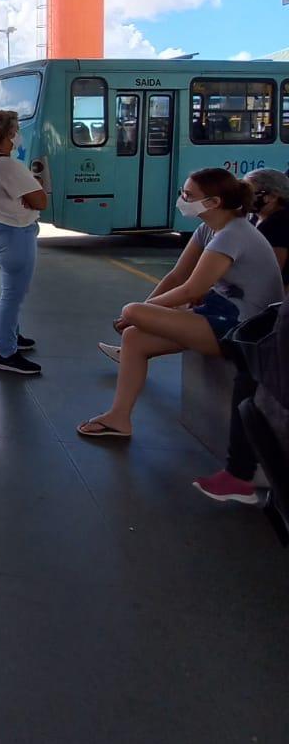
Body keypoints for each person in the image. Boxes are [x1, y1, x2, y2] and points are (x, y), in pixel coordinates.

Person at [79, 168, 284, 441]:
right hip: (222, 314)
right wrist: (147, 312)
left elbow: (192, 289)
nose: (182, 199)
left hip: (245, 328)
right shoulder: (208, 230)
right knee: (134, 337)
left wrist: (142, 312)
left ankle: (119, 415)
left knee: (132, 311)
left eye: (188, 195)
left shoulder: (232, 235)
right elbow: (177, 276)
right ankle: (119, 418)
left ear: (213, 202)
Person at [192, 167, 289, 503]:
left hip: (257, 317)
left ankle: (240, 473)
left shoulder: (272, 225)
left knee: (251, 372)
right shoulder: (250, 226)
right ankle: (239, 473)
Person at [0, 109, 47, 375]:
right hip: (14, 233)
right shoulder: (9, 165)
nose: (19, 135)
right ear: (10, 134)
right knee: (13, 296)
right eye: (17, 130)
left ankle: (13, 336)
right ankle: (5, 353)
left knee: (12, 291)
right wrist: (35, 189)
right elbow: (41, 200)